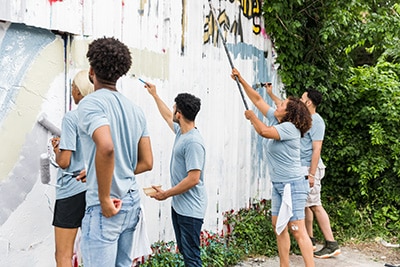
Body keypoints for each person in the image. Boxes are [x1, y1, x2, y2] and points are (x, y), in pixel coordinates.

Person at [77, 37, 153, 267]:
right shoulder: (135, 110)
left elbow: (107, 147)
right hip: (131, 202)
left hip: (107, 207)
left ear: (92, 71)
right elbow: (147, 162)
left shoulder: (90, 104)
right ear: (119, 73)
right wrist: (100, 173)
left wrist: (103, 197)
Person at [231, 68, 314, 267]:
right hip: (279, 184)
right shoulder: (276, 119)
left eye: (282, 104)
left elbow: (264, 132)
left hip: (293, 184)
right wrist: (241, 79)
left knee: (297, 229)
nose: (278, 104)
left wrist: (252, 118)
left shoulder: (288, 128)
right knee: (279, 226)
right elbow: (258, 100)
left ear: (289, 113)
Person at [267, 87, 341, 258]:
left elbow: (317, 149)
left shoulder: (316, 121)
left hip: (310, 167)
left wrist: (312, 174)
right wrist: (270, 93)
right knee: (305, 206)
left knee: (315, 204)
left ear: (308, 102)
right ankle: (310, 241)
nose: (299, 100)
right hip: (299, 168)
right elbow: (283, 106)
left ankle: (331, 243)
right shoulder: (301, 117)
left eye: (302, 98)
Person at [144, 82, 207, 267]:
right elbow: (166, 116)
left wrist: (166, 193)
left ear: (179, 114)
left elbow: (194, 178)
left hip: (191, 210)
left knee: (192, 258)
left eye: (174, 108)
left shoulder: (194, 142)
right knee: (186, 253)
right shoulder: (182, 133)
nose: (172, 111)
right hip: (180, 206)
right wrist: (155, 95)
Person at [51, 70, 93, 267]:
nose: (71, 91)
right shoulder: (99, 117)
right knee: (93, 254)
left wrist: (58, 150)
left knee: (63, 255)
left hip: (71, 189)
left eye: (73, 87)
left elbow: (65, 162)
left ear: (79, 92)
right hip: (93, 188)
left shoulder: (72, 118)